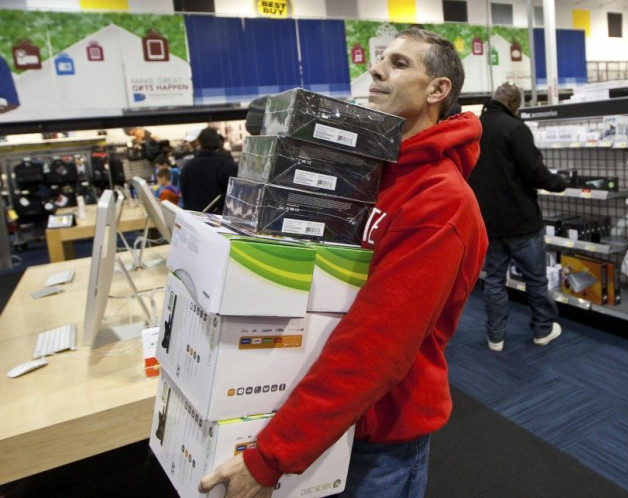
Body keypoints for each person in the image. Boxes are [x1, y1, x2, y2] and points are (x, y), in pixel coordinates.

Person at [198, 28, 488, 497]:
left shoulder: (441, 200)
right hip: (324, 416)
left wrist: (272, 457)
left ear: (438, 90)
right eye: (379, 59)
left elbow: (378, 344)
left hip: (379, 438)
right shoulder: (369, 174)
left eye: (399, 63)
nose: (375, 69)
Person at [468, 82, 568, 352]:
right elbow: (534, 171)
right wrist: (560, 182)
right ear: (514, 103)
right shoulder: (515, 128)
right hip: (521, 220)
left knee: (494, 280)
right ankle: (542, 330)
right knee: (536, 279)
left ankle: (496, 336)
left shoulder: (474, 128)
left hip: (487, 221)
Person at [179, 127, 236, 213]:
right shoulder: (228, 165)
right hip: (219, 220)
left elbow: (185, 193)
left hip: (192, 218)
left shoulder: (188, 166)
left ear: (200, 142)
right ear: (218, 142)